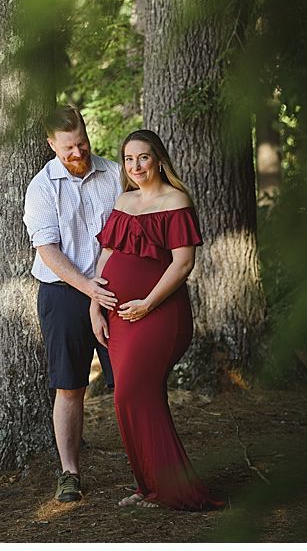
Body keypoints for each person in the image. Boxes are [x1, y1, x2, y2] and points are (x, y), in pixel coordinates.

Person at [89, 129, 222, 511]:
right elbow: (106, 256)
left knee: (134, 392)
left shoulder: (175, 200)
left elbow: (183, 265)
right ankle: (148, 485)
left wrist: (147, 303)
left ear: (158, 159)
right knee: (126, 398)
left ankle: (174, 490)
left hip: (160, 314)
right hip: (119, 315)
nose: (135, 166)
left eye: (143, 158)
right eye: (129, 160)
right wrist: (95, 304)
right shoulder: (124, 200)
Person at [23, 105, 122, 502]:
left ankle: (146, 462)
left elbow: (125, 234)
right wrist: (87, 289)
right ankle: (69, 473)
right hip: (62, 292)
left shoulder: (115, 173)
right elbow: (48, 250)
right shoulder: (41, 187)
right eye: (68, 149)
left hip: (114, 288)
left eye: (81, 143)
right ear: (51, 145)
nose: (78, 153)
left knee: (130, 382)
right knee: (69, 387)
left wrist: (102, 293)